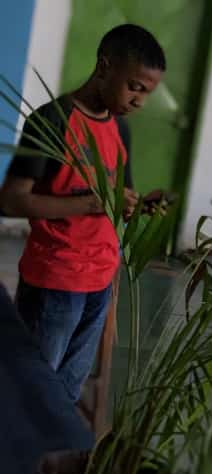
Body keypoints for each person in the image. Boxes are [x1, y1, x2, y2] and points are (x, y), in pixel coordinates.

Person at [0, 24, 166, 401]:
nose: (139, 101)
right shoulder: (53, 121)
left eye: (148, 93)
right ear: (105, 66)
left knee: (66, 392)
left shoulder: (119, 129)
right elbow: (10, 200)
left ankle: (45, 457)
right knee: (32, 390)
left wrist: (138, 206)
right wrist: (93, 201)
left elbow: (116, 202)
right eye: (135, 87)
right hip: (56, 279)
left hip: (99, 278)